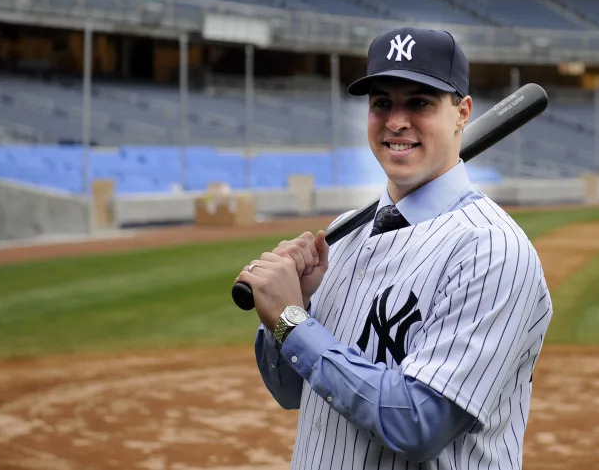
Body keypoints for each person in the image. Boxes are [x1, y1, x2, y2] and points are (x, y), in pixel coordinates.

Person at [235, 26, 553, 469]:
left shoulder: (492, 249)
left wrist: (293, 323)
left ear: (462, 113)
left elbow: (419, 425)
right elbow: (291, 392)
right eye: (382, 102)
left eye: (419, 102)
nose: (396, 121)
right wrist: (293, 311)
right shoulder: (345, 234)